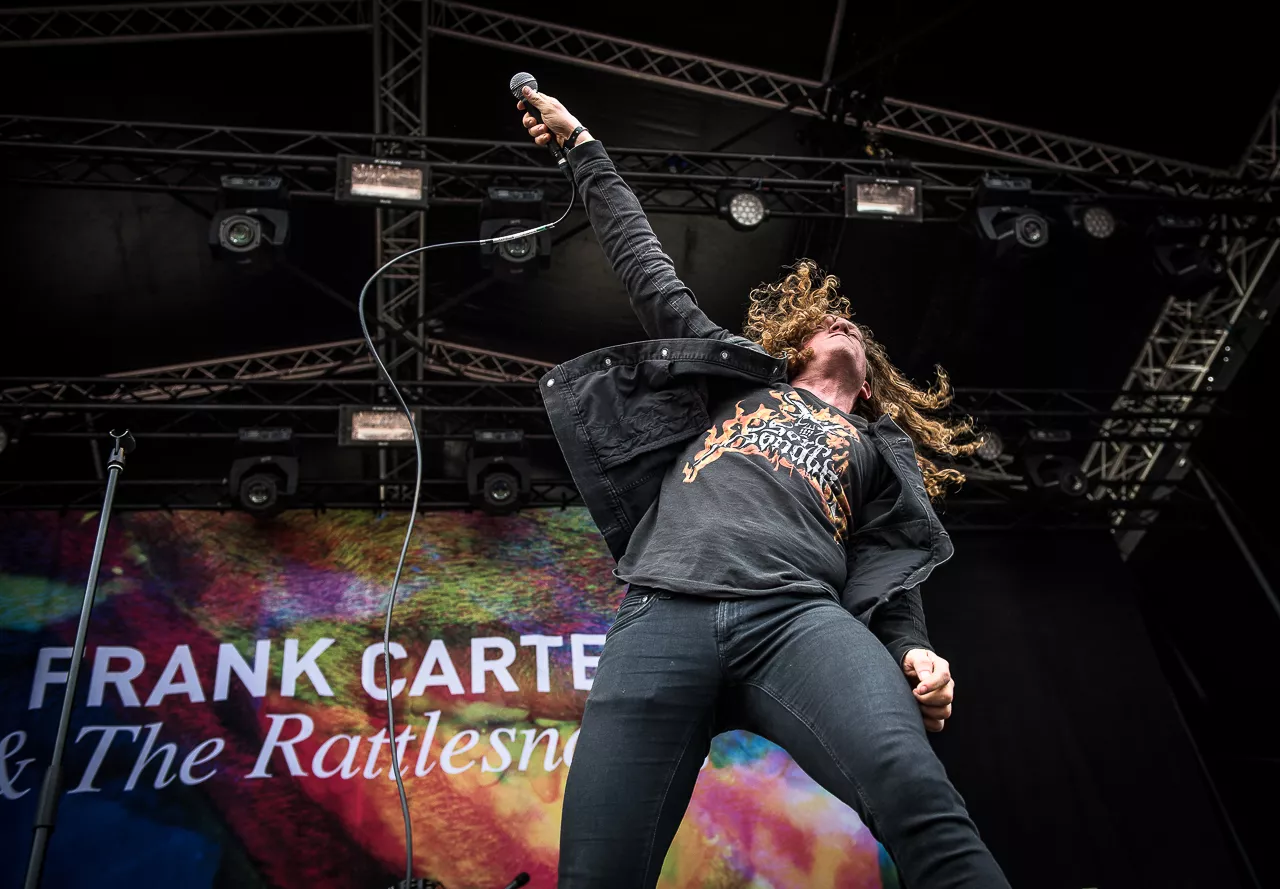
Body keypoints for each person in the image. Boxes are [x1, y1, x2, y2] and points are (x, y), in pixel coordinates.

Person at [517, 86, 1011, 889]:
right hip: (662, 613)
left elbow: (891, 571)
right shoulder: (738, 382)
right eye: (827, 322)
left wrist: (912, 648)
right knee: (595, 871)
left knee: (921, 798)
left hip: (798, 619)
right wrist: (583, 147)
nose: (843, 324)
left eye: (856, 329)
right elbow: (647, 267)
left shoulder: (874, 448)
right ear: (792, 345)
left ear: (873, 382)